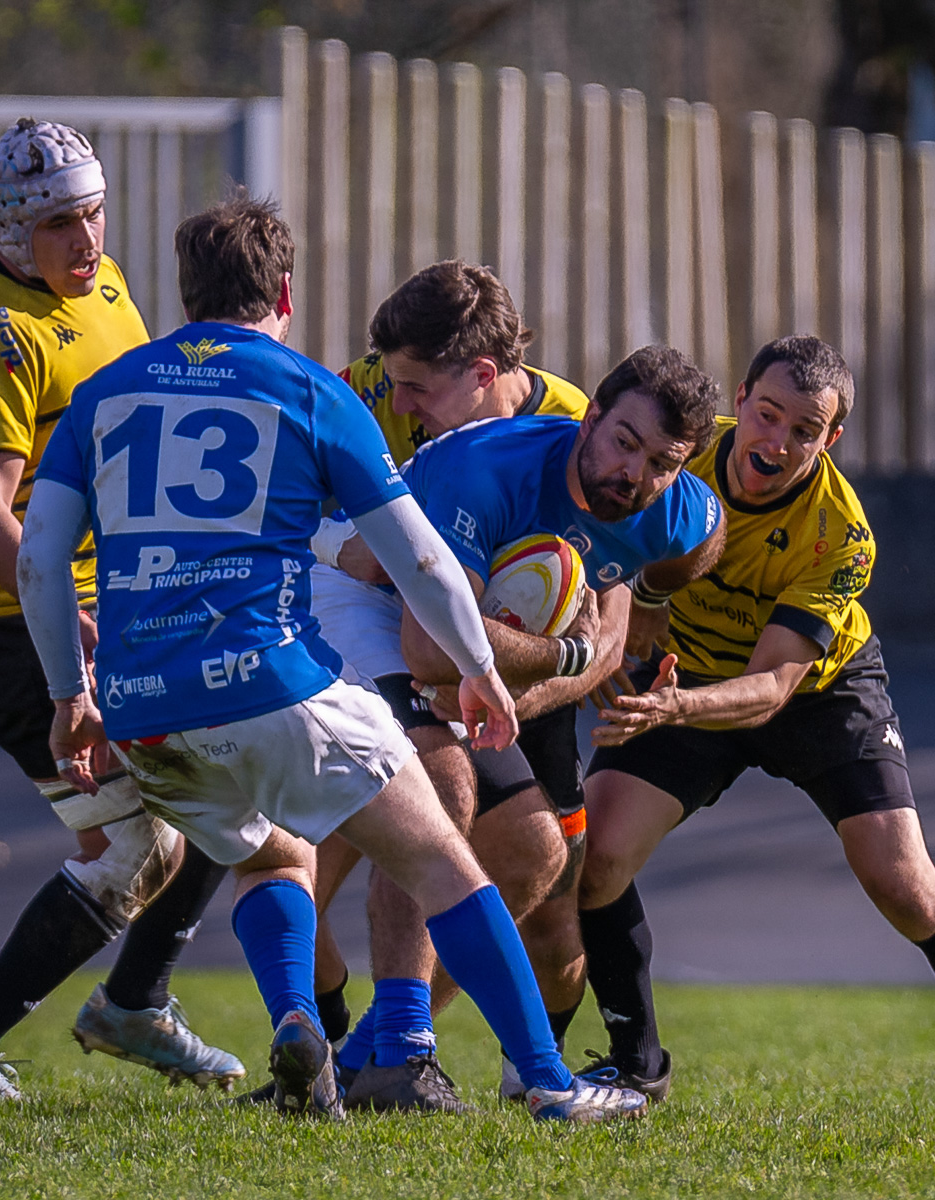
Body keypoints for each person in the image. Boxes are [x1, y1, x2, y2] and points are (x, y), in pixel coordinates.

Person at [15, 195, 649, 1122]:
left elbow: (39, 561)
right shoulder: (315, 392)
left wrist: (71, 696)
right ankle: (551, 1086)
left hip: (145, 701)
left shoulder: (105, 394)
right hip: (269, 679)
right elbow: (419, 557)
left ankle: (300, 1034)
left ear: (187, 293)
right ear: (282, 289)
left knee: (274, 862)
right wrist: (476, 666)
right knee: (445, 860)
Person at [570, 336, 935, 1113]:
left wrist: (672, 704)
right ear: (742, 399)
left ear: (831, 440)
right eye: (767, 414)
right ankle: (636, 1067)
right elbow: (600, 537)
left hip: (817, 692)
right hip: (687, 676)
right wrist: (615, 622)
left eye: (803, 430)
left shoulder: (841, 534)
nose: (776, 442)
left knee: (906, 890)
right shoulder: (675, 455)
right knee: (599, 859)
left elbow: (775, 682)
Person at [0, 119, 241, 1100]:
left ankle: (133, 1007)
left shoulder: (102, 281)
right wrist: (71, 632)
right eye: (59, 223)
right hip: (8, 625)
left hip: (113, 603)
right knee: (138, 843)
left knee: (222, 789)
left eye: (94, 213)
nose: (86, 240)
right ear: (9, 232)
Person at [303, 262, 616, 1112]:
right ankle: (394, 1048)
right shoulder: (361, 391)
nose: (397, 405)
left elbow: (610, 614)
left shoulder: (576, 428)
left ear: (483, 376)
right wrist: (349, 549)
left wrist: (541, 676)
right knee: (429, 788)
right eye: (392, 384)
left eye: (416, 388)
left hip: (485, 662)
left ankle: (364, 1053)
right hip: (355, 619)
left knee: (536, 855)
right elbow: (303, 523)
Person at [392, 344, 728, 1103]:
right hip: (371, 634)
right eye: (623, 442)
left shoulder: (672, 505)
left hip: (507, 674)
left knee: (546, 870)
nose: (633, 475)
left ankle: (407, 1053)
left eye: (661, 462)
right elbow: (429, 652)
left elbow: (708, 536)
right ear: (590, 418)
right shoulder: (488, 472)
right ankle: (366, 1046)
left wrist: (644, 596)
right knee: (383, 832)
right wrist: (578, 653)